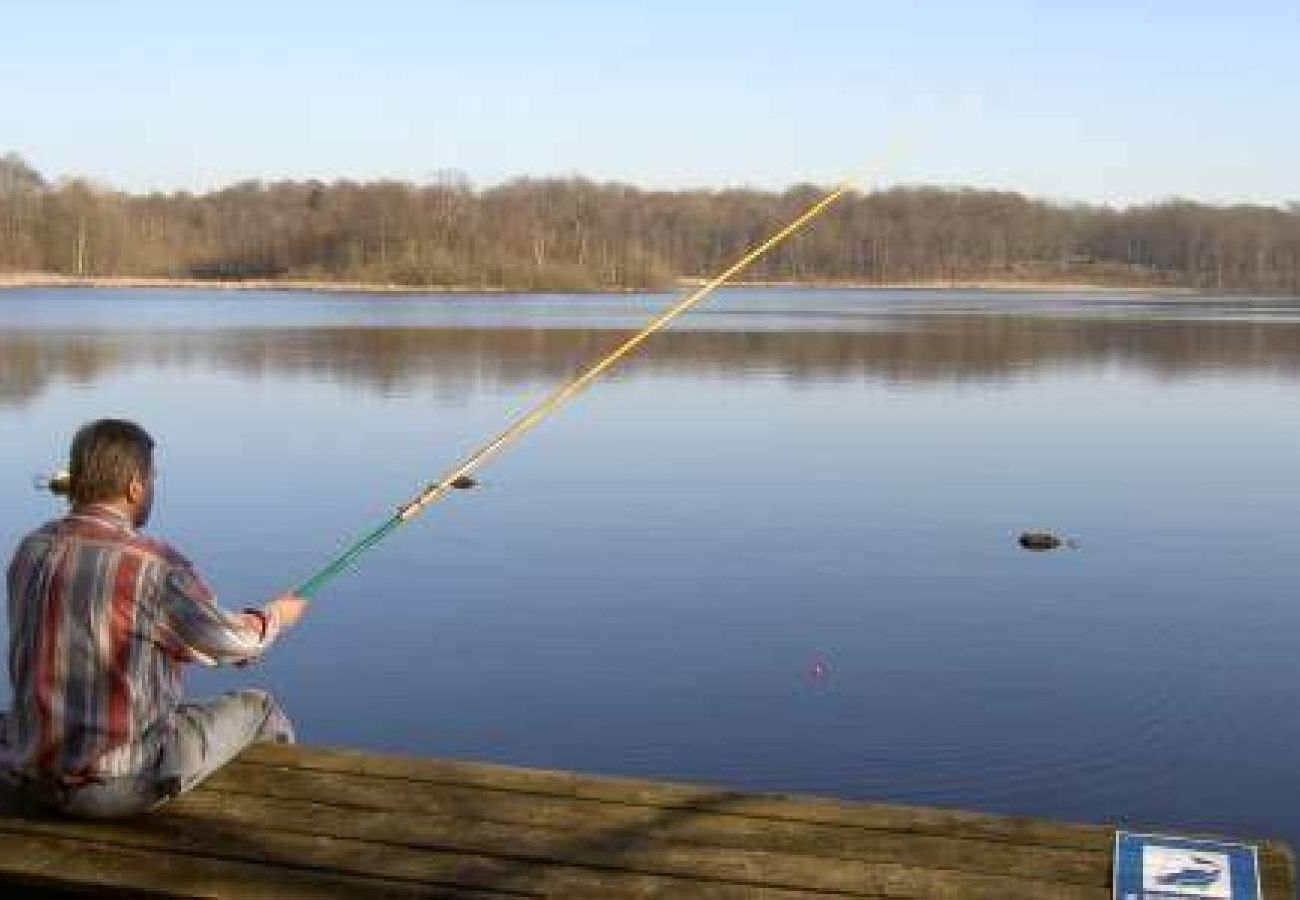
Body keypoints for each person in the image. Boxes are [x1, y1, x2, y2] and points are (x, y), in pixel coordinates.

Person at [1, 419, 308, 817]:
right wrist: (276, 617)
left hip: (25, 775)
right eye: (152, 478)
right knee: (260, 710)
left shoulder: (31, 550)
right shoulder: (152, 568)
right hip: (111, 788)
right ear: (134, 487)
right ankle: (282, 822)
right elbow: (235, 644)